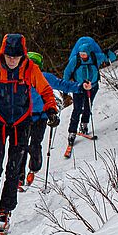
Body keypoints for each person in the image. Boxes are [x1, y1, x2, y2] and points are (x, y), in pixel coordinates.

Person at [0, 34, 59, 235]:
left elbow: (45, 90)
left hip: (22, 122)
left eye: (16, 57)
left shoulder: (30, 69)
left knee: (13, 168)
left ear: (22, 55)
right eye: (9, 56)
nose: (12, 60)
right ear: (3, 53)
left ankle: (5, 210)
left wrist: (51, 109)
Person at [24, 51, 86, 179]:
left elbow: (63, 85)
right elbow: (63, 84)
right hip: (25, 116)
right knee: (26, 145)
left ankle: (32, 169)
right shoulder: (21, 79)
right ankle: (22, 174)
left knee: (30, 144)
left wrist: (80, 87)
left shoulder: (44, 77)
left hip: (40, 116)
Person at [61, 36, 117, 153]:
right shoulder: (75, 60)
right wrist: (65, 89)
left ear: (89, 53)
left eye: (84, 54)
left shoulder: (95, 57)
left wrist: (108, 51)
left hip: (93, 86)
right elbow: (67, 72)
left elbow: (112, 58)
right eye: (81, 53)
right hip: (79, 87)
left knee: (88, 106)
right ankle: (72, 132)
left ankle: (84, 124)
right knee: (77, 108)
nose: (82, 55)